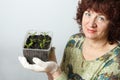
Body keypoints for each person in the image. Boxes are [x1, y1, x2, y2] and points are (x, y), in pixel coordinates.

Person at [18, 0, 120, 79]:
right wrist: (50, 69)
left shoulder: (115, 61)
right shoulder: (74, 41)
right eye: (88, 14)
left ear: (112, 24)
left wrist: (55, 71)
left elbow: (58, 74)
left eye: (101, 18)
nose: (91, 23)